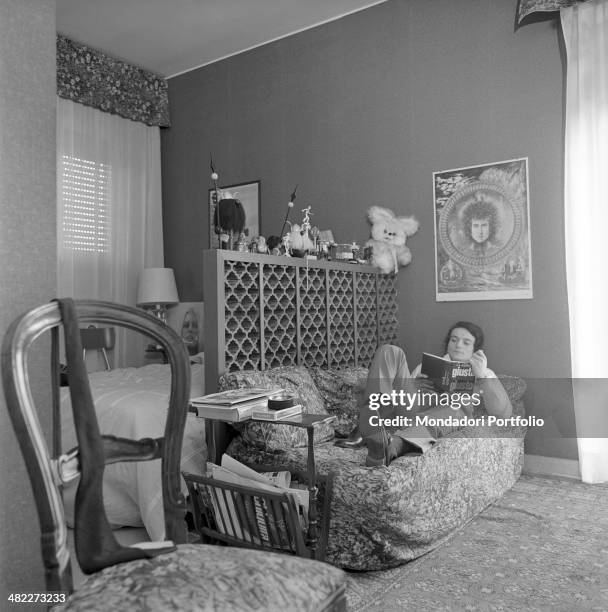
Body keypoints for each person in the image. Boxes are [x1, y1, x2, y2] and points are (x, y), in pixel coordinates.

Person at [335, 321, 512, 466]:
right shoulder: (427, 366)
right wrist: (413, 384)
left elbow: (503, 413)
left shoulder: (485, 373)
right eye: (454, 340)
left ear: (476, 350)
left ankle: (388, 448)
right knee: (390, 351)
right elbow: (401, 400)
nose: (458, 345)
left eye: (466, 342)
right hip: (410, 411)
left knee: (458, 407)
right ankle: (367, 427)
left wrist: (480, 378)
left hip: (438, 418)